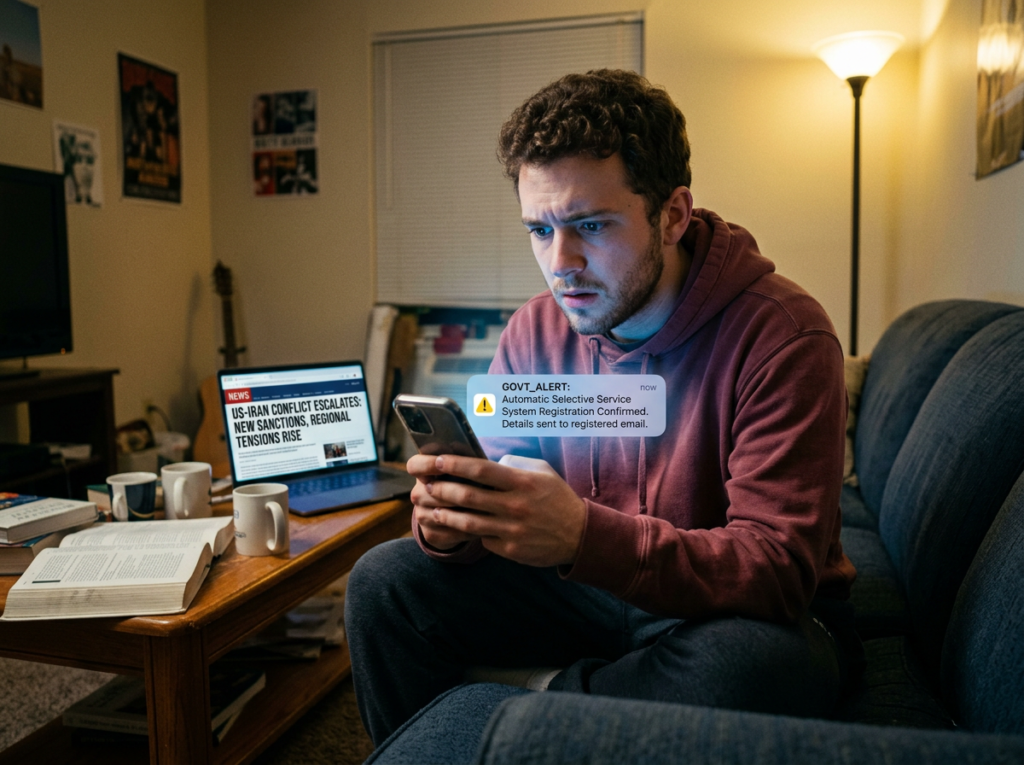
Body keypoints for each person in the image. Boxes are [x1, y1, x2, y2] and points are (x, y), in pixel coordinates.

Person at [345, 69, 859, 747]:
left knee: (749, 669)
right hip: (583, 587)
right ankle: (554, 716)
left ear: (673, 215)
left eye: (589, 225)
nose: (561, 263)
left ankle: (520, 713)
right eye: (540, 229)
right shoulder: (535, 330)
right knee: (383, 583)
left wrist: (584, 536)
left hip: (722, 611)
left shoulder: (783, 335)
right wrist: (452, 523)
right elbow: (498, 487)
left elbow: (776, 569)